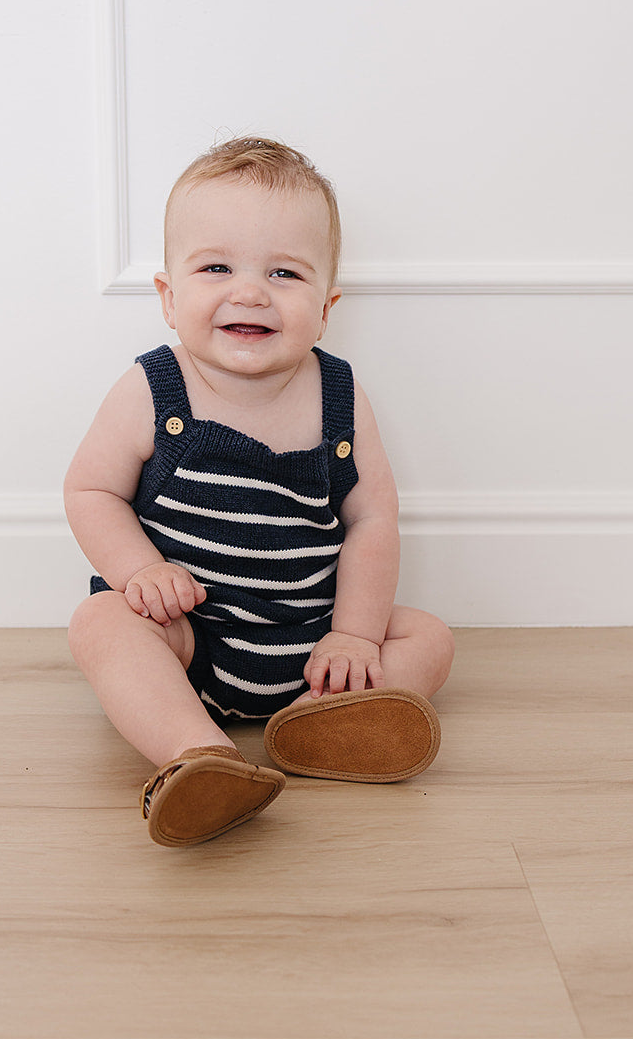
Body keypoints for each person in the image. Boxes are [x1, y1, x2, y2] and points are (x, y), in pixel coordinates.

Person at [64, 137, 454, 846]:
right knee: (100, 622)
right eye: (216, 267)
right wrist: (139, 570)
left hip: (314, 641)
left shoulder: (339, 395)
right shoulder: (153, 389)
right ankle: (198, 752)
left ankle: (316, 723)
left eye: (284, 272)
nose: (250, 292)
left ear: (326, 306)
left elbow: (372, 519)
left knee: (428, 638)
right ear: (169, 297)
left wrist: (353, 633)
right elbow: (91, 490)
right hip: (192, 637)